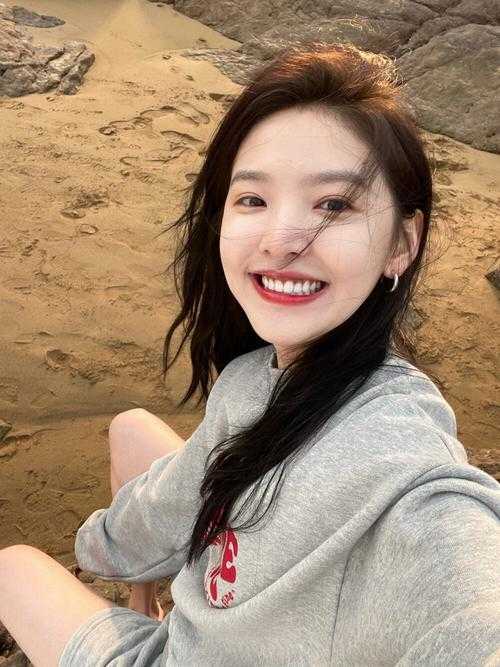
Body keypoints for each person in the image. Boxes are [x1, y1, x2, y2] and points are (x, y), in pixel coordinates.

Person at [1, 41, 499, 667]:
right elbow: (178, 496)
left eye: (334, 204)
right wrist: (118, 549)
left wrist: (91, 549)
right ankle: (144, 603)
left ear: (402, 242)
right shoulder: (253, 378)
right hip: (207, 610)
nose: (282, 240)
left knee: (12, 567)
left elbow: (469, 597)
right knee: (131, 429)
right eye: (254, 199)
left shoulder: (402, 475)